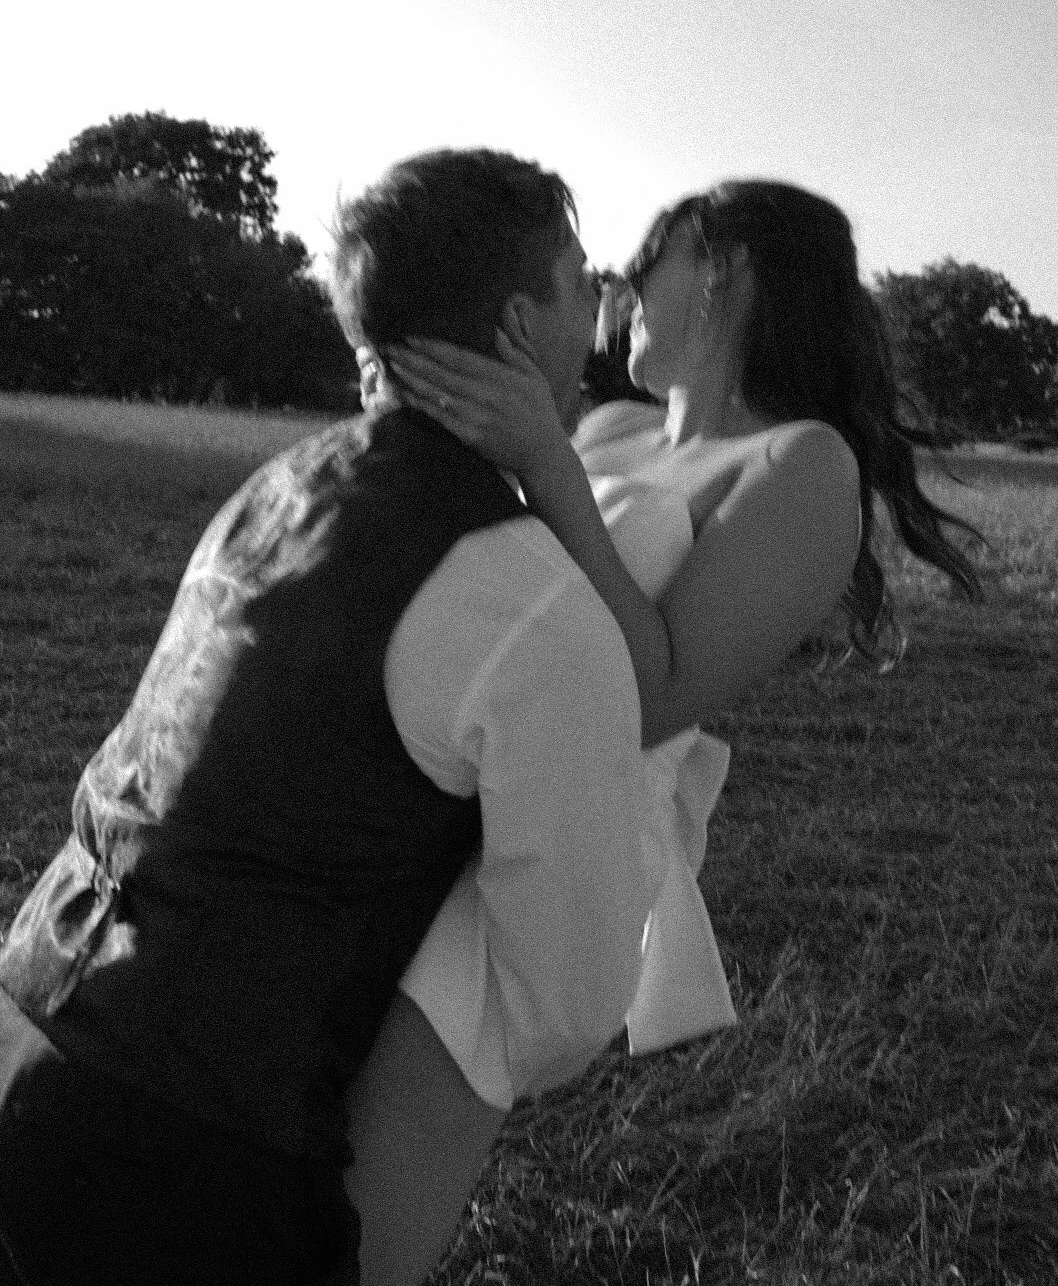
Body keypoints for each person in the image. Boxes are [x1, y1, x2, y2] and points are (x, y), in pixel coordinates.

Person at [0, 149, 655, 1286]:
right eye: (580, 274)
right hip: (184, 1168)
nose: (601, 297)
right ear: (521, 322)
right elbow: (569, 1003)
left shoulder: (275, 483)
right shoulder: (539, 605)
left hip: (22, 1011)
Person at [381, 178, 983, 1174]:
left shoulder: (801, 463)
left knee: (377, 1175)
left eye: (646, 262)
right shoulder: (614, 430)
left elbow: (654, 696)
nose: (621, 290)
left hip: (557, 831)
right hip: (439, 781)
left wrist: (546, 464)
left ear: (723, 268)